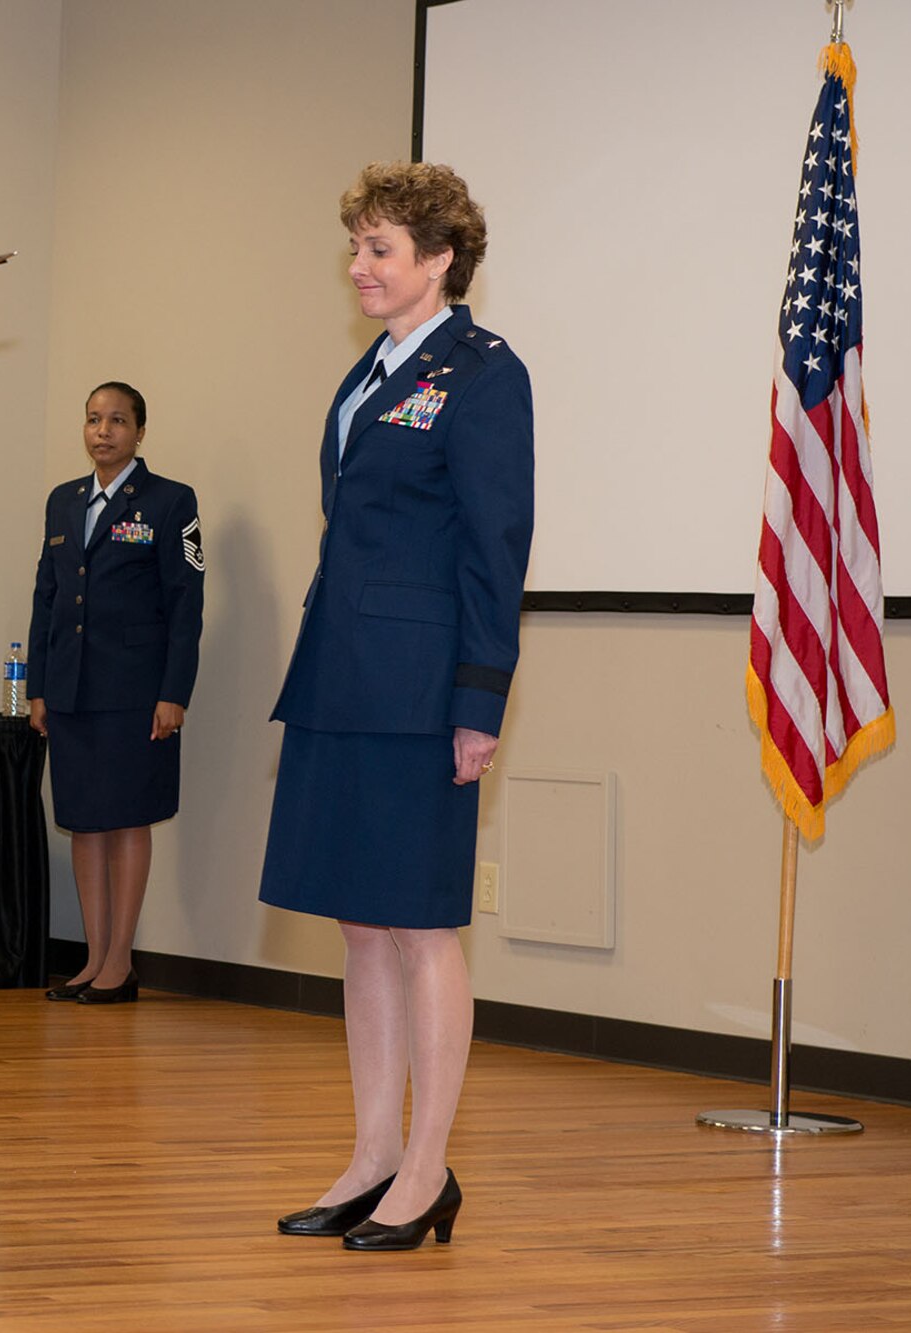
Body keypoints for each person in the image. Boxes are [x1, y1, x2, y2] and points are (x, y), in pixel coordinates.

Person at [262, 162, 533, 1250]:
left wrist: (477, 698)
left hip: (421, 690)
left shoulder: (482, 373)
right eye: (355, 247)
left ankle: (427, 1168)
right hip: (340, 675)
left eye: (379, 249)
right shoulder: (369, 372)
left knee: (418, 925)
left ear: (438, 259)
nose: (358, 266)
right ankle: (372, 1154)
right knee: (359, 923)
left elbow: (494, 548)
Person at [26, 382, 204, 1005]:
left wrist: (174, 691)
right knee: (83, 823)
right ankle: (92, 959)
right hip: (71, 689)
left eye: (118, 421)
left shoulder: (169, 501)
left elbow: (186, 606)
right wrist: (37, 688)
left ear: (140, 432)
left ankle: (120, 964)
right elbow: (46, 598)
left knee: (127, 820)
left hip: (136, 693)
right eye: (94, 420)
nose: (103, 431)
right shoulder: (63, 501)